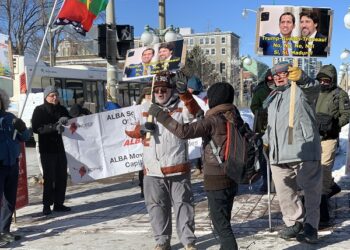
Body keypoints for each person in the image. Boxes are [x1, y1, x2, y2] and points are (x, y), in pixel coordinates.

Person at [148, 82, 242, 250]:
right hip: (233, 175)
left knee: (222, 226)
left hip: (216, 178)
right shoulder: (234, 115)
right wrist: (186, 95)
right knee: (224, 220)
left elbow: (184, 132)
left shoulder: (213, 119)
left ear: (214, 98)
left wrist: (161, 116)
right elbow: (198, 115)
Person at [125, 71, 199, 250]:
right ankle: (162, 241)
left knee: (184, 206)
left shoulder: (181, 106)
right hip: (153, 170)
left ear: (170, 90)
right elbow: (128, 128)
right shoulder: (145, 107)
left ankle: (188, 241)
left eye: (164, 89)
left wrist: (185, 94)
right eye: (157, 89)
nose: (160, 93)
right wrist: (141, 129)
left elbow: (196, 113)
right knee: (156, 207)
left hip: (178, 167)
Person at [262, 61, 322, 244]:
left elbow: (314, 89)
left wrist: (303, 78)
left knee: (311, 191)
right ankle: (294, 222)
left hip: (302, 150)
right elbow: (272, 125)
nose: (279, 77)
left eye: (284, 73)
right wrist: (266, 140)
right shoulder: (273, 97)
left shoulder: (301, 91)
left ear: (291, 73)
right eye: (276, 74)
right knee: (284, 191)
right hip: (278, 153)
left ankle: (311, 226)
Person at [315, 64, 350, 224]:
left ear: (332, 80)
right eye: (321, 80)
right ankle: (332, 187)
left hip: (329, 138)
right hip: (314, 138)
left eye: (326, 80)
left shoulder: (340, 94)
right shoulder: (315, 92)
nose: (323, 83)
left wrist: (334, 125)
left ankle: (323, 216)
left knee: (323, 170)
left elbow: (347, 114)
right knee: (314, 170)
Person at [31, 86, 71, 216]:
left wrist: (68, 120)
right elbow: (37, 128)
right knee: (49, 178)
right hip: (47, 149)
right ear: (46, 97)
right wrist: (54, 127)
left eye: (56, 95)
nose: (55, 98)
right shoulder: (39, 110)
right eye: (52, 95)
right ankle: (46, 205)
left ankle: (59, 203)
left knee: (62, 177)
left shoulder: (62, 109)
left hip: (62, 149)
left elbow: (72, 122)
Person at [0, 89, 30, 247]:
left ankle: (4, 230)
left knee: (9, 200)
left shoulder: (9, 117)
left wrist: (23, 127)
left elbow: (24, 137)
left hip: (12, 164)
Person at [250, 69, 273, 193]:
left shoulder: (285, 90)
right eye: (270, 80)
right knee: (264, 156)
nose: (273, 82)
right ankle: (266, 181)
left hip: (280, 128)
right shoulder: (260, 91)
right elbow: (254, 107)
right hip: (263, 128)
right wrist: (262, 113)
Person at [186, 76, 207, 177]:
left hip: (203, 123)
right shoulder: (190, 97)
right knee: (196, 147)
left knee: (203, 147)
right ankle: (198, 167)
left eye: (189, 88)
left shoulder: (203, 97)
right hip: (195, 124)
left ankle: (203, 168)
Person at [136, 86, 152, 198]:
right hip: (142, 142)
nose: (149, 97)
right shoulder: (138, 108)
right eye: (147, 95)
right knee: (143, 168)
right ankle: (143, 188)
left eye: (151, 95)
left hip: (154, 142)